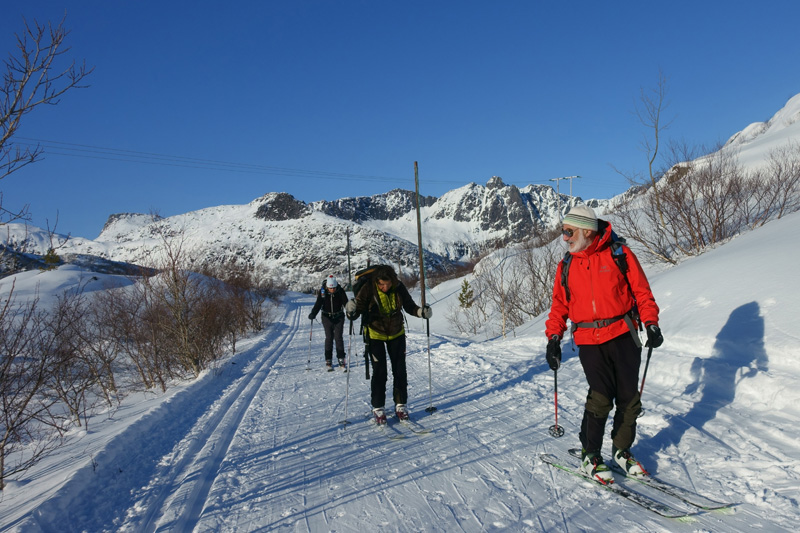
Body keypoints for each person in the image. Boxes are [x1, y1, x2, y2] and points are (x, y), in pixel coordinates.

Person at [545, 204, 663, 484]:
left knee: (628, 398)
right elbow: (559, 306)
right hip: (588, 339)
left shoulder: (620, 254)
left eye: (569, 231)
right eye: (564, 232)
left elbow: (642, 292)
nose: (565, 237)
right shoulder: (567, 265)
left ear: (587, 231)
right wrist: (553, 338)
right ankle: (591, 453)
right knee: (600, 396)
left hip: (623, 334)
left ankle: (622, 451)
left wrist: (651, 323)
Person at [344, 265, 432, 424]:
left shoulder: (398, 286)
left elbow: (408, 305)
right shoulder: (368, 288)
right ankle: (378, 407)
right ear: (376, 281)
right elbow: (359, 310)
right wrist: (351, 311)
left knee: (400, 369)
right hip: (375, 333)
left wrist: (420, 312)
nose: (385, 287)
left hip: (397, 332)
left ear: (393, 280)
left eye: (387, 284)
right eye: (381, 285)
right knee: (380, 371)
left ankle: (401, 405)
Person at [309, 275, 349, 371]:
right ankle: (328, 359)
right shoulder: (323, 292)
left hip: (339, 316)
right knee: (329, 337)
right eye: (330, 288)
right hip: (326, 317)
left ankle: (341, 359)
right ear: (327, 286)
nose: (332, 290)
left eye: (334, 288)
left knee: (338, 337)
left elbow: (346, 303)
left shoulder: (340, 291)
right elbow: (318, 303)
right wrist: (313, 313)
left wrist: (350, 312)